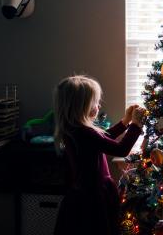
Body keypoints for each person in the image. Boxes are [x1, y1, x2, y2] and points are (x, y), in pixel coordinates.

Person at [53, 75, 146, 235]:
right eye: (95, 102)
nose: (98, 105)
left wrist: (125, 122)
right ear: (82, 106)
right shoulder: (85, 132)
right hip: (94, 197)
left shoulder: (74, 129)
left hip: (83, 194)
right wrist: (136, 125)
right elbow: (121, 149)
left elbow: (104, 139)